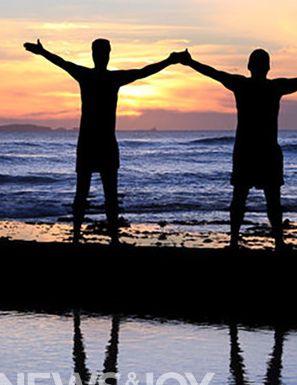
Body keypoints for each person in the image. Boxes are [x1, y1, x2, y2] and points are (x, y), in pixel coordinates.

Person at [181, 48, 297, 249]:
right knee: (272, 200)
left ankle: (234, 241)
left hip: (245, 151)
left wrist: (190, 62)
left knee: (240, 198)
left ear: (249, 66)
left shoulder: (241, 84)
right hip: (267, 151)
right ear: (268, 67)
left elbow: (213, 73)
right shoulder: (275, 87)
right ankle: (278, 242)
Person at [24, 38, 185, 243]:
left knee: (96, 193)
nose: (102, 56)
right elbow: (143, 72)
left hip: (96, 143)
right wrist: (169, 61)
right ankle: (93, 236)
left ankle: (89, 236)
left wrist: (43, 52)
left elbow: (142, 72)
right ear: (99, 54)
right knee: (95, 193)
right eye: (101, 52)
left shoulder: (94, 76)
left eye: (104, 52)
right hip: (97, 143)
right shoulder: (103, 77)